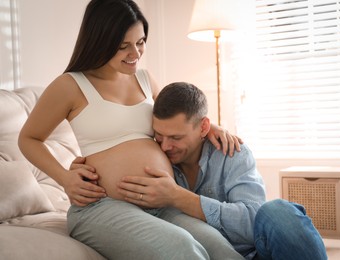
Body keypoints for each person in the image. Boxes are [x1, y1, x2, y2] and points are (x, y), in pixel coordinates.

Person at [18, 0, 244, 259]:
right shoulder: (70, 85)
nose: (135, 53)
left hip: (160, 202)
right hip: (102, 207)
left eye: (141, 42)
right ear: (99, 41)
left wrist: (210, 126)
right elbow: (29, 138)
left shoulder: (145, 79)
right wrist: (65, 178)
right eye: (123, 46)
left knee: (222, 249)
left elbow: (177, 119)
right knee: (181, 248)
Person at [113, 82, 328, 260]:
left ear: (204, 128)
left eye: (176, 138)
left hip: (254, 254)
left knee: (279, 211)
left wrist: (178, 197)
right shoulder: (153, 157)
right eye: (159, 135)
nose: (165, 146)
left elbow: (252, 221)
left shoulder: (232, 153)